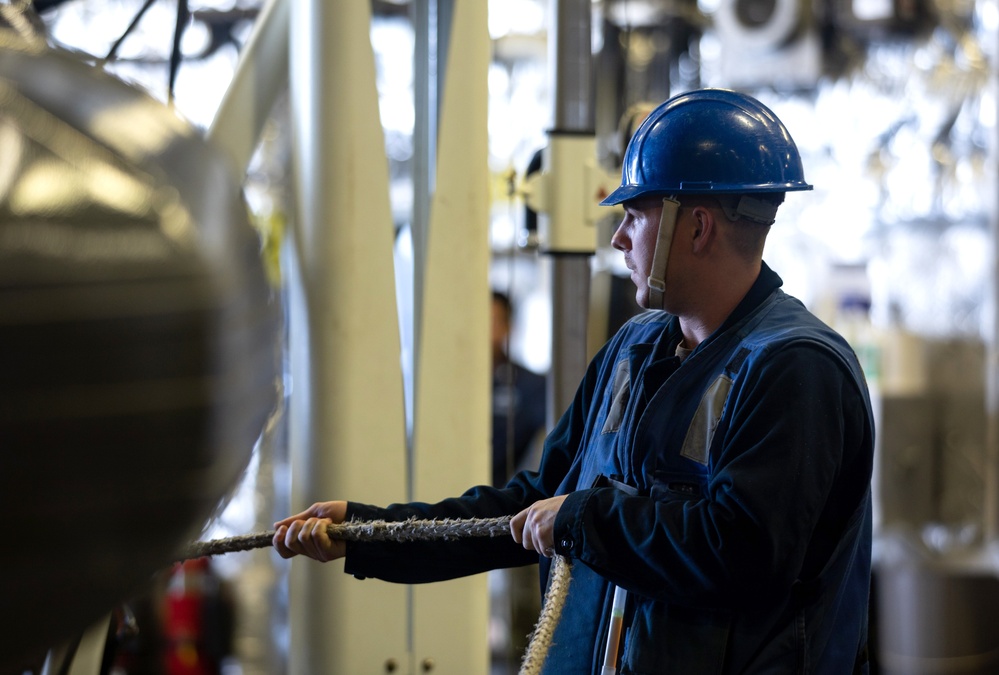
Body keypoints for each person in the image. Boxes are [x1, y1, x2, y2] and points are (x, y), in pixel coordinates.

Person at [273, 89, 875, 674]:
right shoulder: (633, 351)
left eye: (634, 216)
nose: (617, 239)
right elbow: (536, 505)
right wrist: (368, 531)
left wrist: (586, 520)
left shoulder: (795, 367)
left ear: (694, 228)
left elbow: (743, 556)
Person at [490, 290, 547, 488]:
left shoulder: (531, 385)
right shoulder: (452, 388)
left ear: (508, 327)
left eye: (493, 322)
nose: (486, 331)